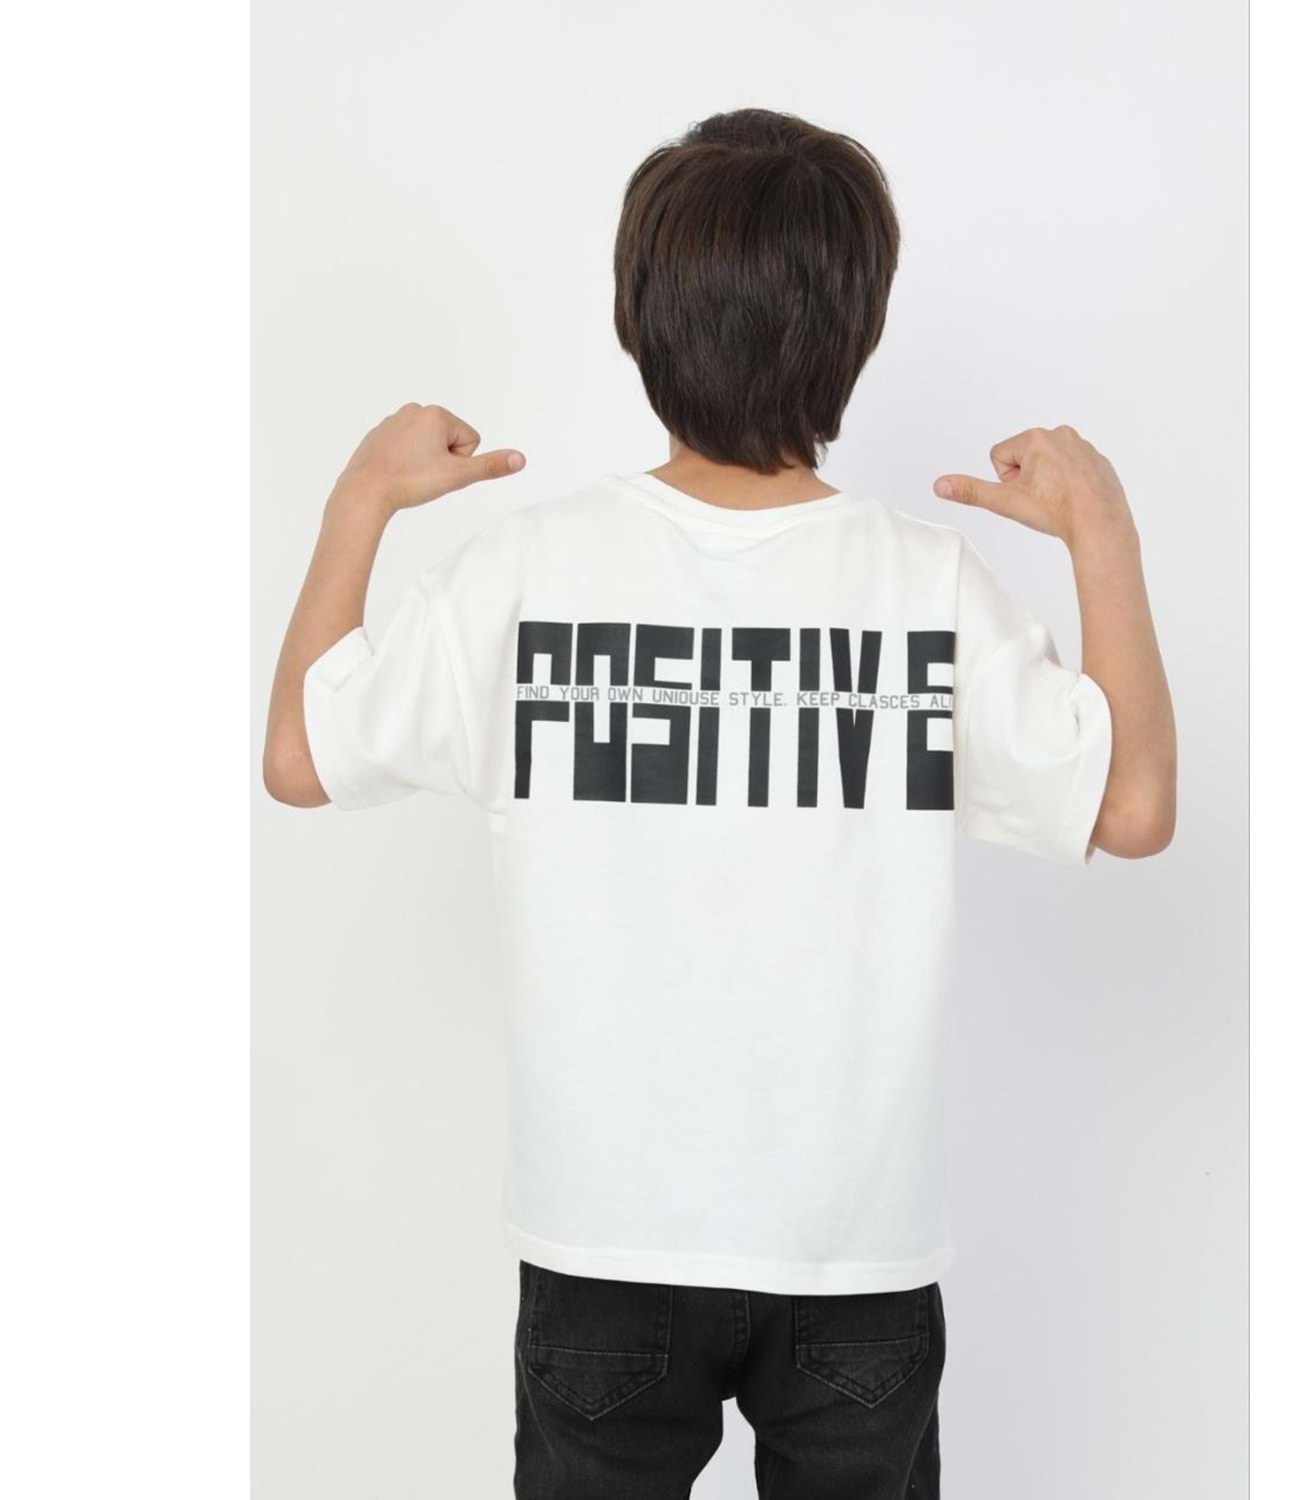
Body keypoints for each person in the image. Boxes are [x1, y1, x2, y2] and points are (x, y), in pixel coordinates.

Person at [262, 107, 1176, 1500]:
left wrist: (359, 502)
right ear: (858, 329)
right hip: (852, 1253)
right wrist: (1103, 531)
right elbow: (1133, 805)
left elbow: (301, 755)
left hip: (601, 1247)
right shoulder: (925, 588)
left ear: (638, 320)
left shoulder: (530, 573)